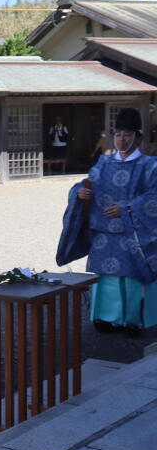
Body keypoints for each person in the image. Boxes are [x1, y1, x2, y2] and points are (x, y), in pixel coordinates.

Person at [61, 108, 157, 337]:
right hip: (103, 233)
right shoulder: (103, 162)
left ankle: (133, 321)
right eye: (118, 134)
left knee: (131, 280)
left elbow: (154, 197)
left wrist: (128, 208)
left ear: (138, 138)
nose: (122, 139)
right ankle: (104, 318)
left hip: (133, 235)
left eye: (128, 135)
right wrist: (79, 193)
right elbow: (88, 183)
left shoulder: (150, 165)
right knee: (104, 279)